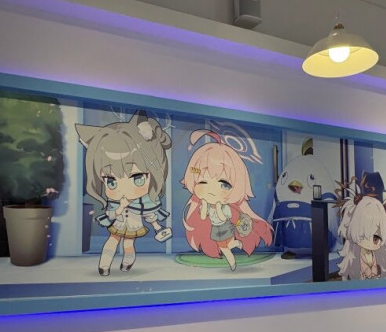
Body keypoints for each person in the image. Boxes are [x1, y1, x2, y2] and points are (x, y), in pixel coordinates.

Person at [75, 110, 172, 275]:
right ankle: (104, 266)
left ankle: (127, 263)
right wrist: (120, 207)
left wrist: (157, 227)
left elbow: (149, 213)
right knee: (112, 241)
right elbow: (111, 215)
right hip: (118, 224)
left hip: (134, 224)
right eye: (111, 182)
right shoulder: (114, 203)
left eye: (137, 178)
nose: (123, 189)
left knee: (128, 244)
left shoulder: (143, 201)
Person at [181, 129, 272, 270]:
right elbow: (203, 217)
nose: (211, 190)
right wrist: (204, 204)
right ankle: (233, 258)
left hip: (226, 228)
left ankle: (233, 258)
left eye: (224, 184)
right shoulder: (204, 203)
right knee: (225, 246)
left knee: (225, 246)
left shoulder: (225, 206)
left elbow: (225, 217)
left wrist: (218, 207)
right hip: (215, 230)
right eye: (203, 182)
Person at [336, 177, 386, 280]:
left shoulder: (378, 255)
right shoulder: (355, 256)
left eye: (375, 238)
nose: (370, 242)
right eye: (363, 236)